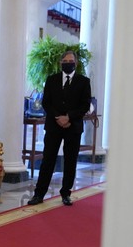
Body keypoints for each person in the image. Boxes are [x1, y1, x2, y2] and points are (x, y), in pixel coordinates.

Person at [28, 50, 92, 206]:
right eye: (65, 61)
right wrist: (58, 117)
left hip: (73, 126)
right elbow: (46, 103)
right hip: (54, 126)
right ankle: (39, 194)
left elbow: (85, 105)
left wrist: (69, 117)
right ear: (60, 63)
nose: (68, 63)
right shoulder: (52, 79)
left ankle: (66, 193)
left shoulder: (83, 81)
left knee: (70, 161)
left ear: (75, 64)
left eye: (71, 61)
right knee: (48, 160)